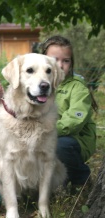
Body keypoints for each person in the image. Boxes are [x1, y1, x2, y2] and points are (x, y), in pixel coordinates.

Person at [40, 35, 97, 187]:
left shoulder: (77, 87)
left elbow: (74, 120)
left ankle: (81, 181)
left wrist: (45, 130)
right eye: (54, 60)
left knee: (59, 145)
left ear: (71, 63)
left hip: (75, 139)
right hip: (42, 135)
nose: (60, 65)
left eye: (66, 60)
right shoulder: (37, 84)